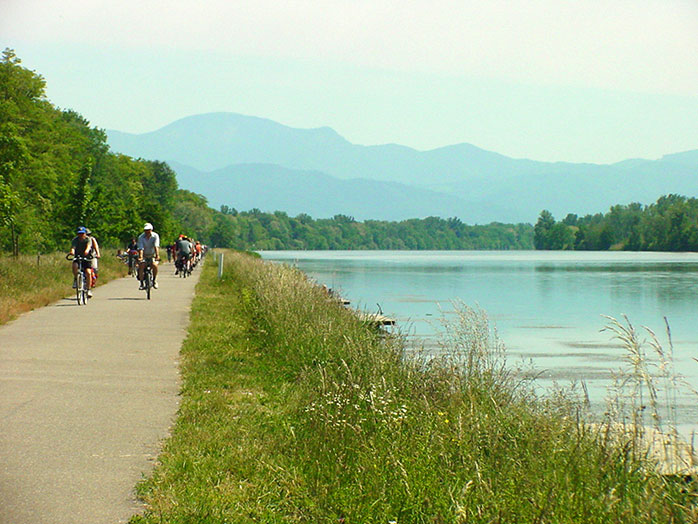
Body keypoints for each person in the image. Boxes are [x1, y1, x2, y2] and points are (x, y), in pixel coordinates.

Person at [69, 226, 93, 297]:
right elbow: (73, 247)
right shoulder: (75, 240)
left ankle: (88, 289)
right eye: (79, 234)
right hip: (78, 256)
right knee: (75, 266)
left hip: (87, 257)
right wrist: (72, 252)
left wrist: (86, 251)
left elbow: (88, 246)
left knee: (88, 273)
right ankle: (76, 279)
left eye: (82, 233)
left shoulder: (88, 239)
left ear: (85, 233)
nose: (81, 235)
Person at [137, 223, 160, 289]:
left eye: (148, 230)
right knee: (142, 265)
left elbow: (156, 246)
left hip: (152, 254)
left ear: (151, 230)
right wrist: (141, 257)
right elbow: (141, 248)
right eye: (146, 230)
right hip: (144, 254)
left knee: (155, 265)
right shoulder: (141, 237)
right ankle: (141, 283)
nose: (147, 232)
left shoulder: (155, 236)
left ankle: (154, 281)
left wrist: (157, 255)